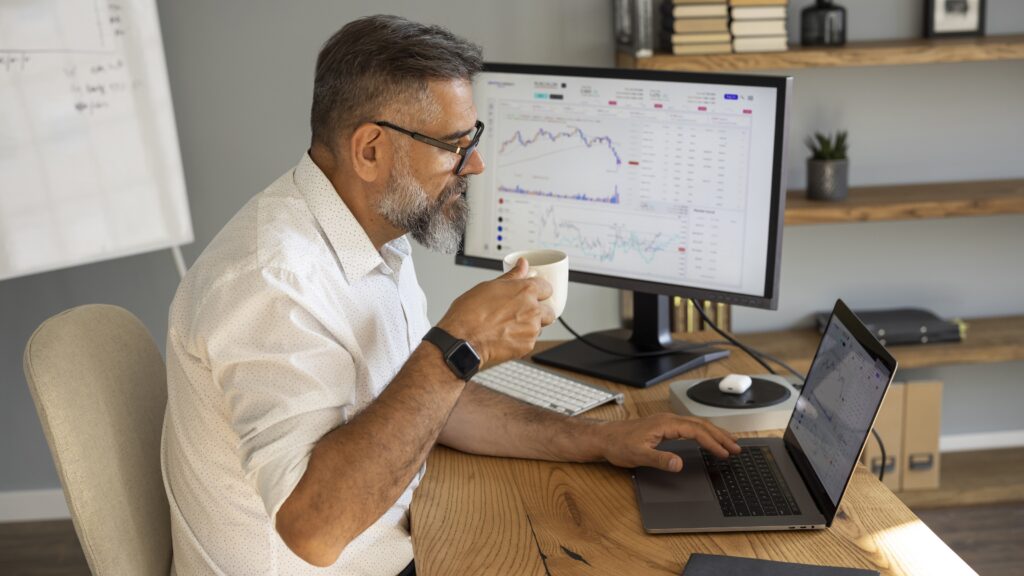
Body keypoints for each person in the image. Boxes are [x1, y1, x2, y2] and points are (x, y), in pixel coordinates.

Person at [161, 14, 740, 576]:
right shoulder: (271, 285)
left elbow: (430, 404)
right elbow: (314, 530)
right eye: (455, 144)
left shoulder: (373, 228)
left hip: (408, 534)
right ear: (370, 151)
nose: (477, 163)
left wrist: (600, 439)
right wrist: (455, 346)